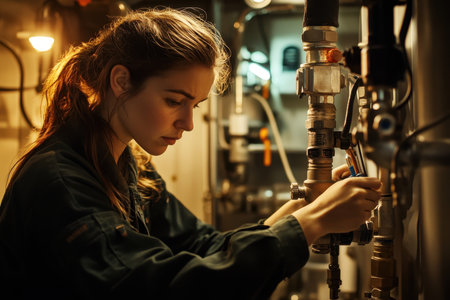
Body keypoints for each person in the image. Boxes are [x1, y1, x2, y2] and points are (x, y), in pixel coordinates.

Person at [0, 7, 381, 299]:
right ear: (121, 81)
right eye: (173, 101)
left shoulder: (128, 164)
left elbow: (206, 248)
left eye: (194, 106)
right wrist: (313, 222)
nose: (188, 123)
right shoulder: (62, 182)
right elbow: (167, 288)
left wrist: (306, 209)